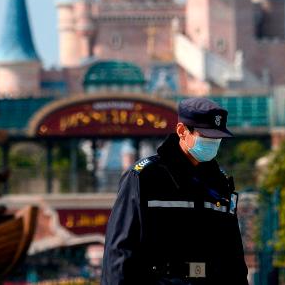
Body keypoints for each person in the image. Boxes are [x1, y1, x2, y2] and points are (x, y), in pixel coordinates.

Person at [101, 97, 248, 284]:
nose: (213, 142)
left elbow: (233, 255)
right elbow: (120, 252)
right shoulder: (145, 177)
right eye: (206, 136)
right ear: (181, 131)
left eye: (217, 137)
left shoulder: (220, 182)